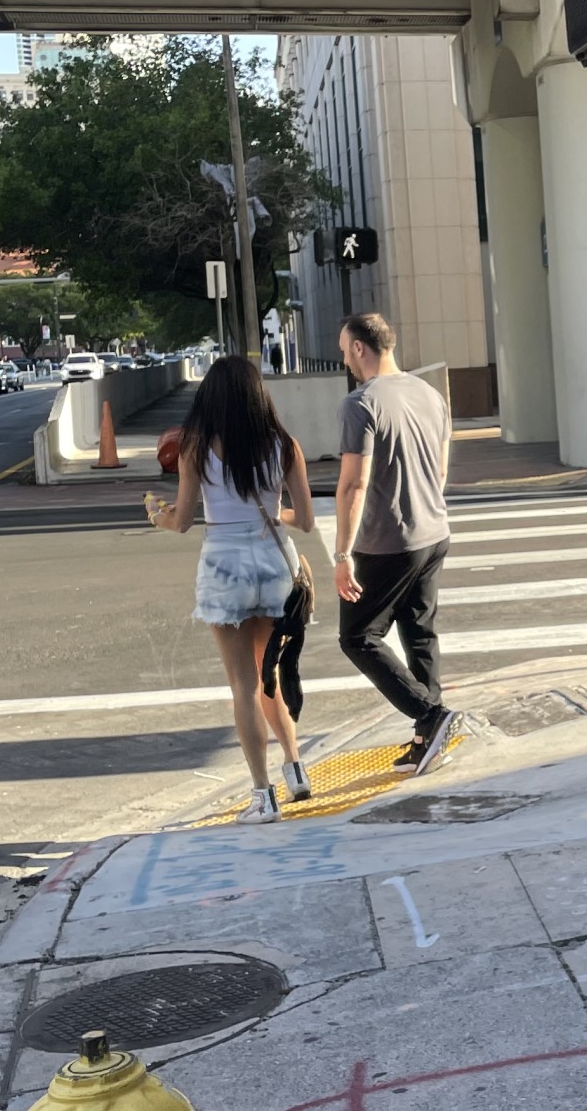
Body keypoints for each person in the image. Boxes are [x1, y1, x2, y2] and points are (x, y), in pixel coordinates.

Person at [147, 357, 317, 822]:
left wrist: (156, 516)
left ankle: (262, 795)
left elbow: (181, 521)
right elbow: (304, 521)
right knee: (270, 677)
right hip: (273, 563)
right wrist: (268, 514)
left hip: (224, 567)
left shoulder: (196, 449)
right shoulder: (285, 446)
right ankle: (295, 767)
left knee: (242, 685)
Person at [331, 312, 462, 773]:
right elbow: (441, 471)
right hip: (434, 531)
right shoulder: (430, 394)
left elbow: (353, 485)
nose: (345, 359)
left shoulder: (361, 403)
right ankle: (430, 738)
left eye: (345, 350)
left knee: (358, 636)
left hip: (389, 540)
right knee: (418, 631)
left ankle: (431, 714)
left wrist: (342, 552)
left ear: (360, 349)